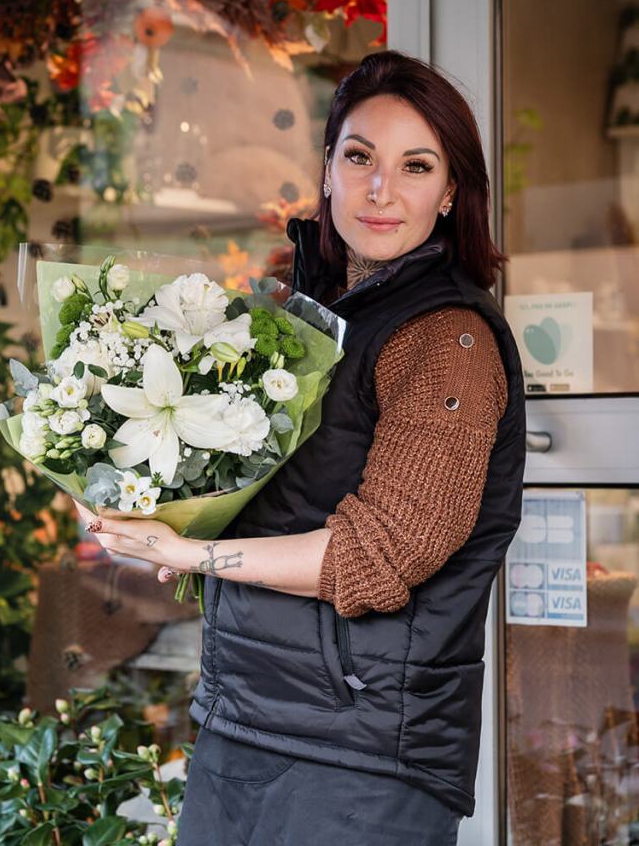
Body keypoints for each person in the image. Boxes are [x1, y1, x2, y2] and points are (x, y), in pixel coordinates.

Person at [74, 50, 526, 845]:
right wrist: (152, 507)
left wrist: (189, 554)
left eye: (415, 166)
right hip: (245, 713)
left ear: (451, 191)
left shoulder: (446, 339)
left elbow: (379, 558)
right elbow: (269, 497)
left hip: (362, 755)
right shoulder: (303, 316)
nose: (380, 190)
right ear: (326, 168)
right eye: (359, 157)